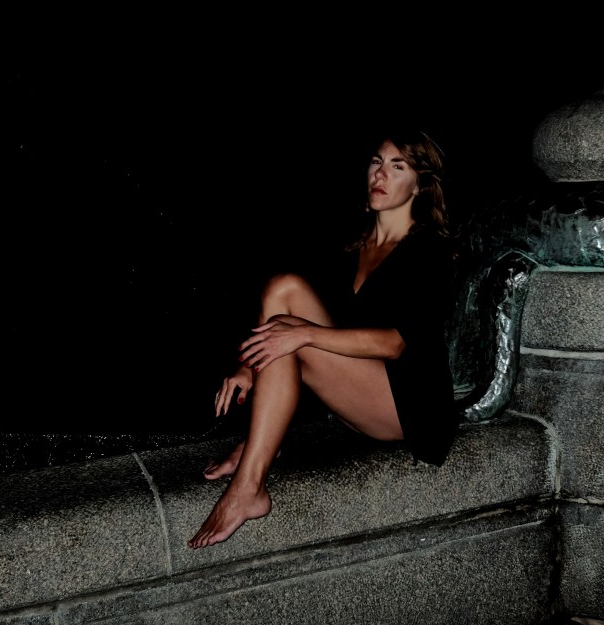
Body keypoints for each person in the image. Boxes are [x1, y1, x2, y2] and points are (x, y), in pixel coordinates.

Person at [188, 126, 459, 549]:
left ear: (419, 185)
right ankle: (263, 443)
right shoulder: (354, 245)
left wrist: (305, 336)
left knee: (293, 337)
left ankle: (248, 488)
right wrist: (248, 366)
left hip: (407, 404)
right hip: (355, 391)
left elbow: (395, 343)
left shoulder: (431, 251)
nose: (380, 174)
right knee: (284, 287)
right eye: (376, 162)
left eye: (398, 167)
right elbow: (289, 315)